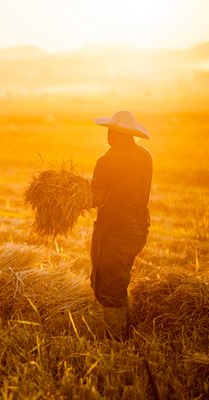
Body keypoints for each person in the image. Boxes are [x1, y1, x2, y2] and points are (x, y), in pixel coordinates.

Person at [90, 111, 153, 340]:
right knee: (119, 278)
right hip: (138, 229)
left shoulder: (107, 161)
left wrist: (71, 196)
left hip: (115, 230)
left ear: (113, 134)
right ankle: (126, 328)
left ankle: (116, 339)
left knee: (110, 285)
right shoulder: (145, 157)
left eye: (110, 132)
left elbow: (96, 198)